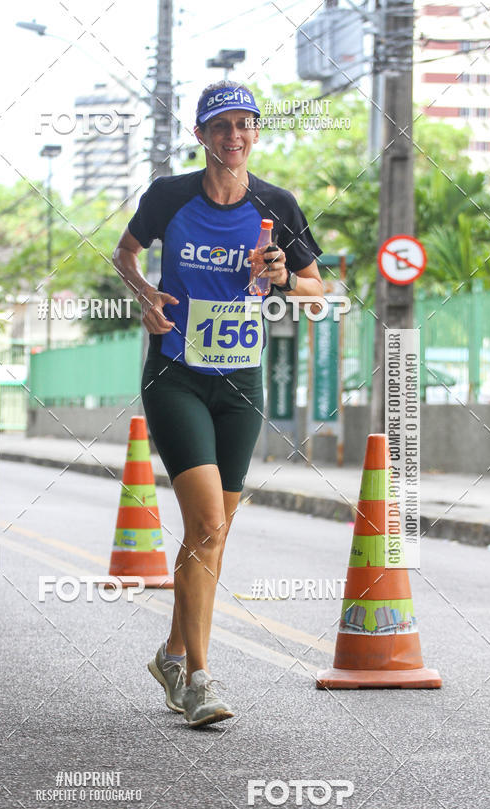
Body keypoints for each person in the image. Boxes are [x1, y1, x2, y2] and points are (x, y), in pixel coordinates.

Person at [112, 81, 324, 727]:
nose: (234, 136)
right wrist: (146, 294)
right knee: (206, 523)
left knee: (213, 533)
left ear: (256, 132)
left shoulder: (276, 205)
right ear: (201, 135)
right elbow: (125, 253)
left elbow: (317, 292)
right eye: (221, 125)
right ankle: (199, 680)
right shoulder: (169, 196)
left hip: (241, 384)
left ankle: (172, 654)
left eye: (244, 124)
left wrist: (283, 277)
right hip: (176, 375)